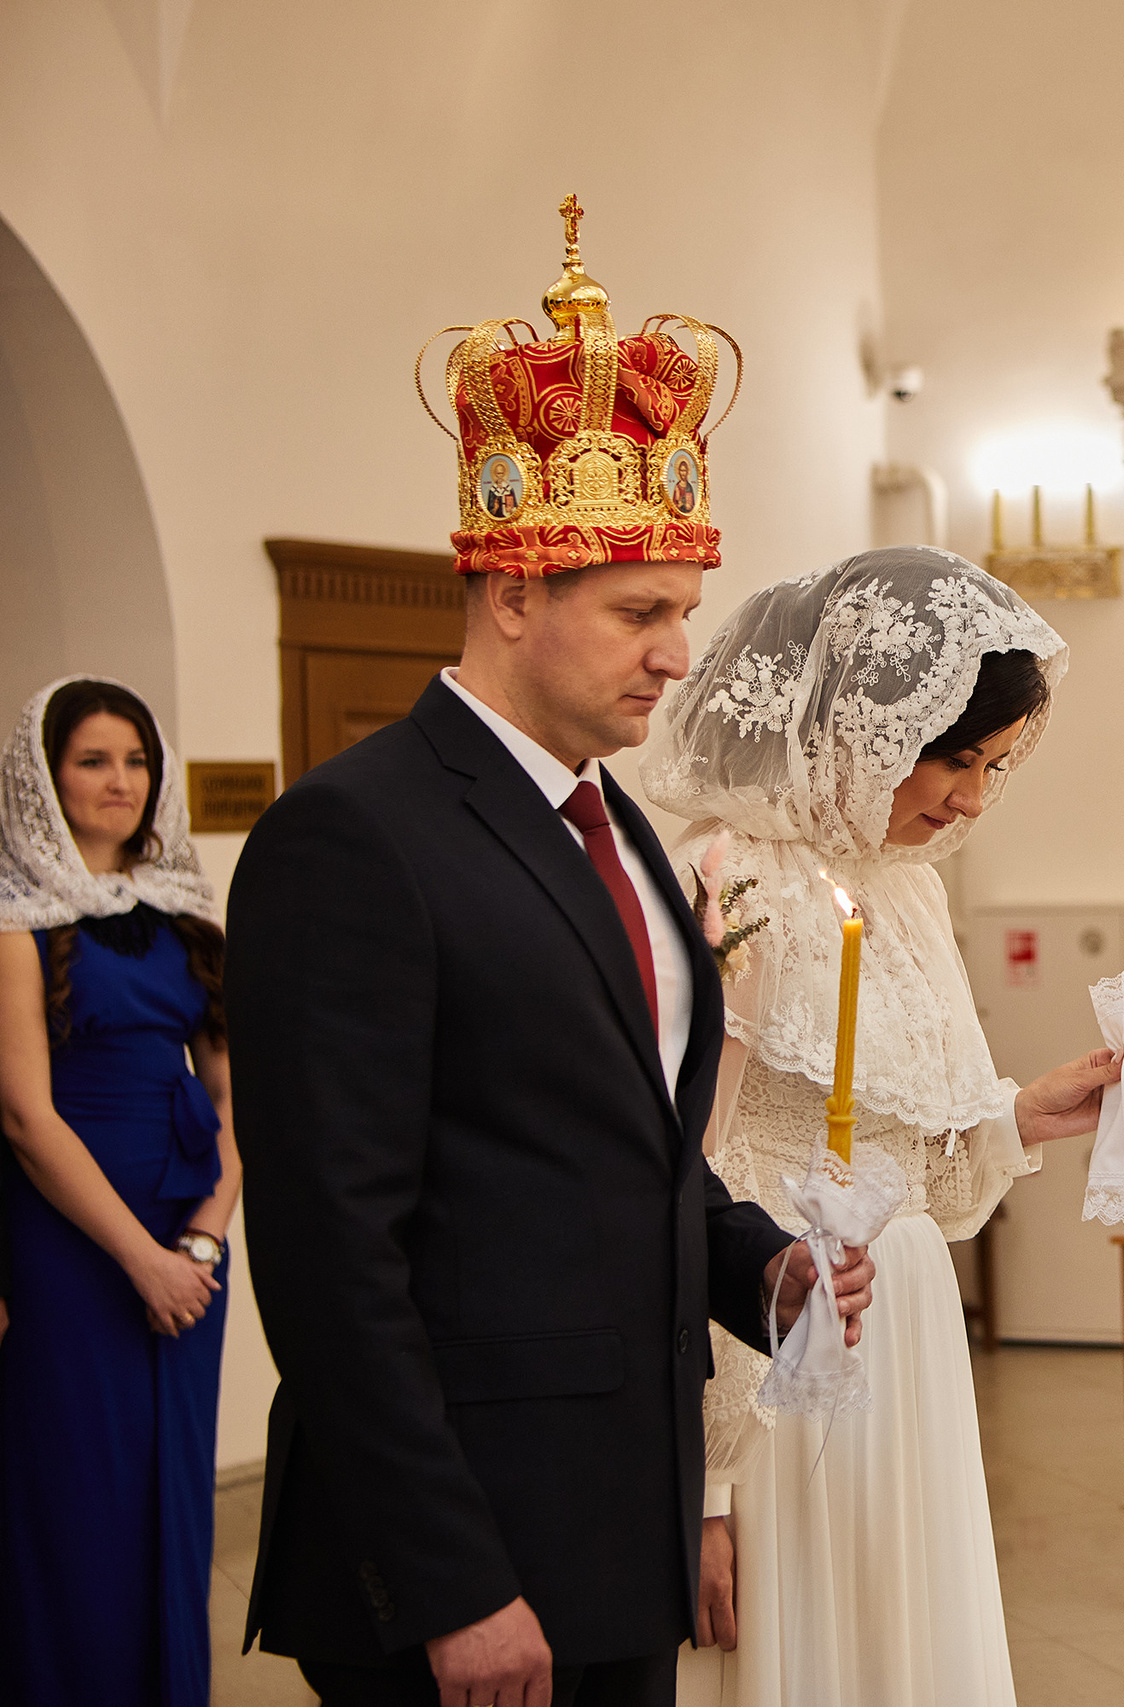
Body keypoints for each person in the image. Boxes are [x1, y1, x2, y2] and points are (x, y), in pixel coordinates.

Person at [226, 208, 868, 1707]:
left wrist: (760, 1268)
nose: (676, 654)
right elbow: (330, 1249)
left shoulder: (619, 824)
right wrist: (450, 1577)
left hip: (613, 1516)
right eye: (641, 613)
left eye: (683, 615)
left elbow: (629, 1149)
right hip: (460, 1551)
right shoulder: (354, 835)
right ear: (513, 595)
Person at [645, 548, 1122, 1707]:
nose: (971, 800)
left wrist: (1017, 1115)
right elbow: (693, 1178)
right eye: (954, 759)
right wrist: (708, 1480)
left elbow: (911, 1168)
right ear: (861, 724)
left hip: (905, 1316)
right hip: (782, 1342)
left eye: (992, 767)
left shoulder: (905, 884)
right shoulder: (730, 880)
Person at [0, 676, 238, 1707]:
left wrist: (204, 1239)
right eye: (93, 760)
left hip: (188, 1242)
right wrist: (140, 1259)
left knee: (173, 1488)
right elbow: (24, 1116)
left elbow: (236, 1099)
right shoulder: (14, 921)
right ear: (44, 778)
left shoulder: (186, 914)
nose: (121, 780)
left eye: (137, 760)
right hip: (71, 1244)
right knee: (79, 1494)